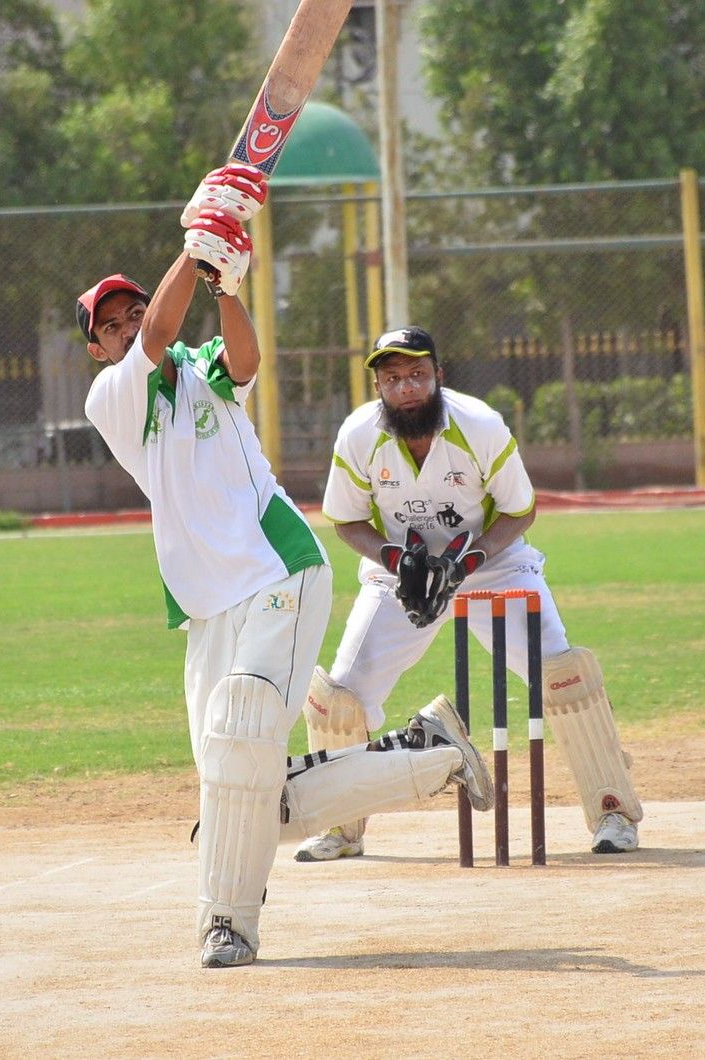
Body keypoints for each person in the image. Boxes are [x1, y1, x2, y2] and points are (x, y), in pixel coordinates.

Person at [77, 167, 490, 969]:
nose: (126, 330)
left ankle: (226, 926)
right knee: (237, 789)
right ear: (97, 348)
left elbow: (244, 357)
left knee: (240, 745)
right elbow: (158, 334)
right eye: (111, 327)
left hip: (278, 573)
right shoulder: (114, 396)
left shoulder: (204, 371)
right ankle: (429, 752)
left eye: (131, 314)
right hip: (207, 607)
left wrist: (225, 286)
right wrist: (195, 243)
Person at [296, 325, 645, 862]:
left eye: (417, 374)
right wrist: (396, 560)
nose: (406, 387)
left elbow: (520, 509)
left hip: (492, 564)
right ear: (378, 386)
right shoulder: (359, 434)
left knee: (563, 676)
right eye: (393, 378)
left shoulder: (479, 424)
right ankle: (339, 826)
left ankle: (613, 812)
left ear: (438, 376)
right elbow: (345, 520)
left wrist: (471, 559)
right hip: (404, 571)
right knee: (339, 697)